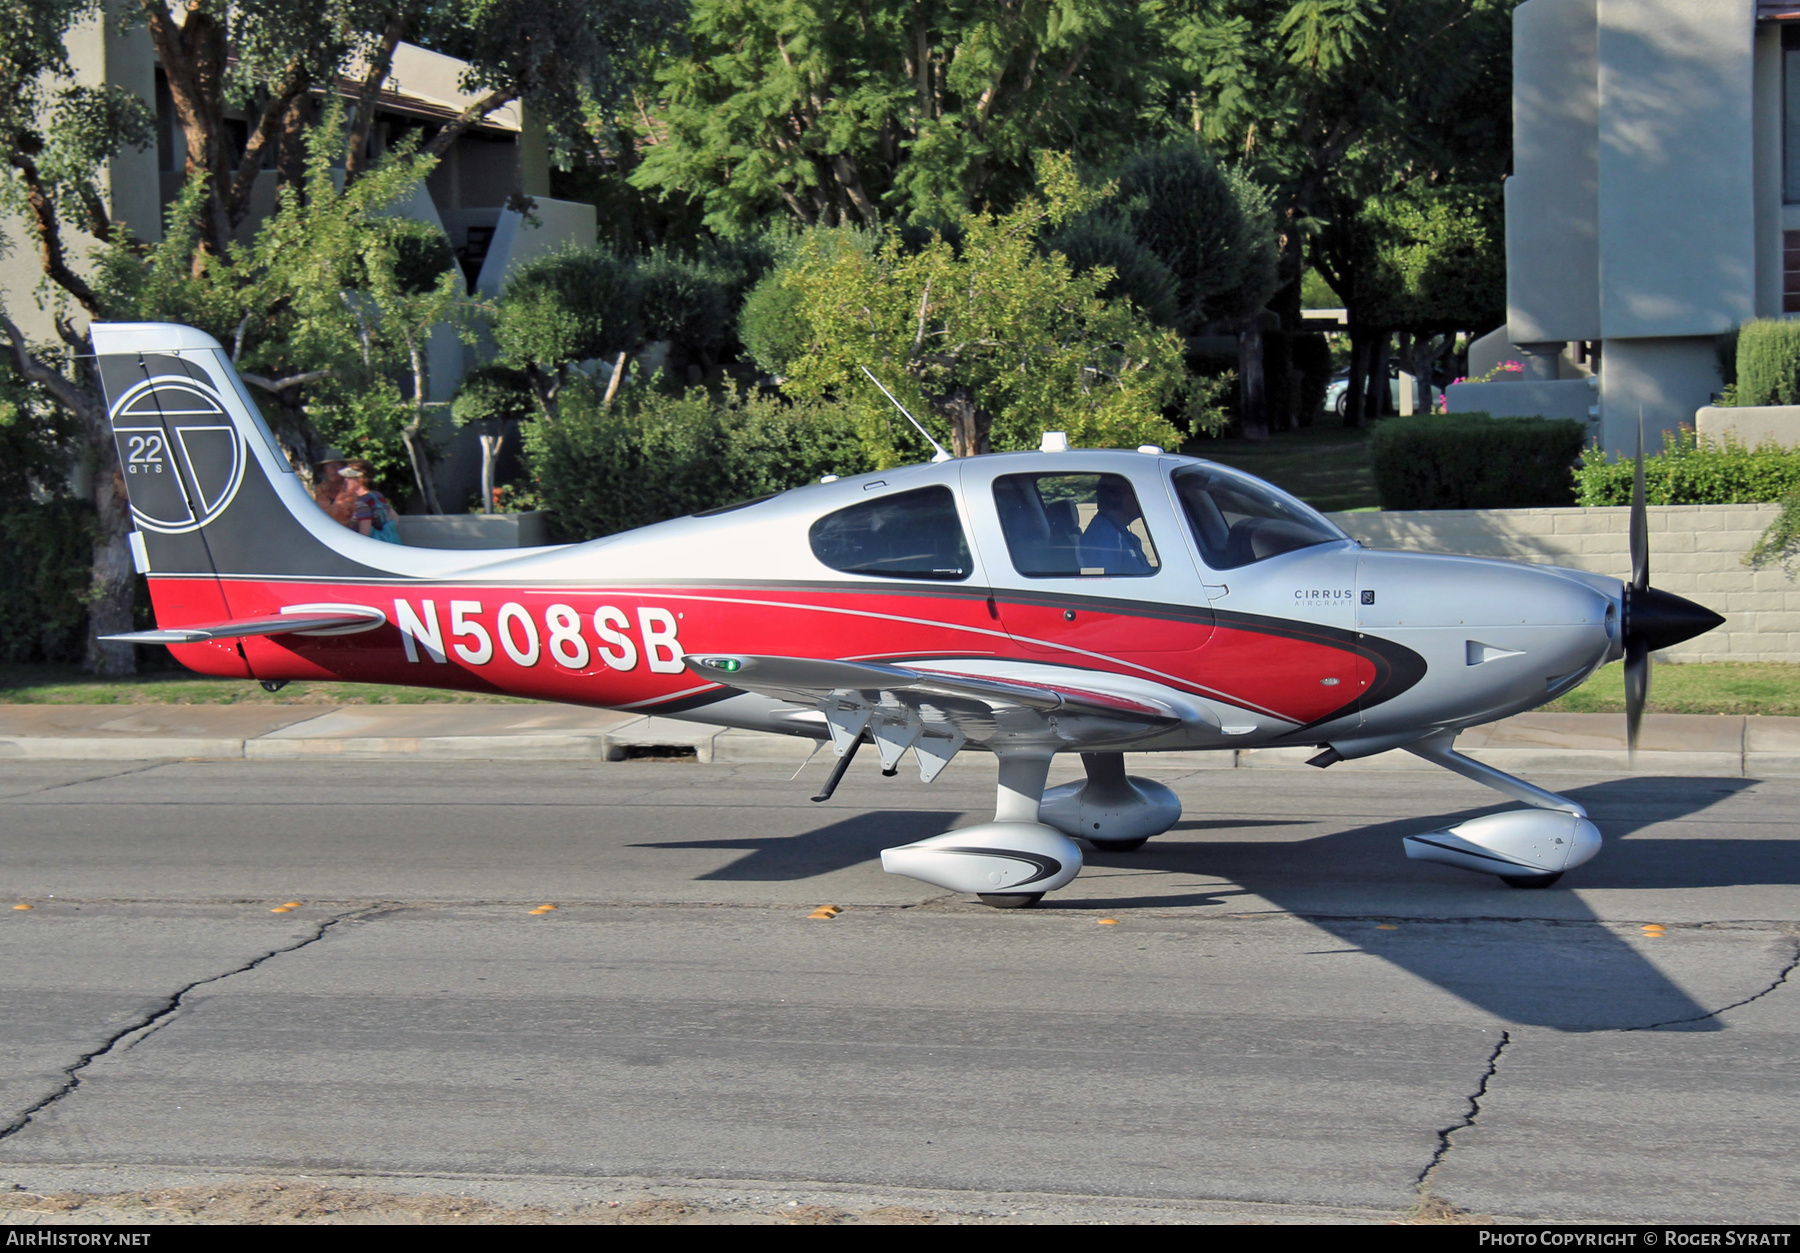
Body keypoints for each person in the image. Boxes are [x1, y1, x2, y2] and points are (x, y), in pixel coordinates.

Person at [1078, 477, 1154, 575]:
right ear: (1114, 497)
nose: (1140, 498)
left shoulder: (1118, 531)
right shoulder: (1102, 538)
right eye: (1133, 492)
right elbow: (1104, 584)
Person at [340, 465, 402, 543]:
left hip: (373, 546)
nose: (345, 480)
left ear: (360, 479)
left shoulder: (362, 501)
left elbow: (365, 532)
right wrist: (384, 529)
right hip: (388, 543)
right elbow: (395, 517)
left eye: (349, 477)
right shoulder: (377, 495)